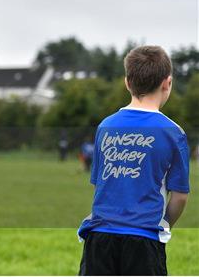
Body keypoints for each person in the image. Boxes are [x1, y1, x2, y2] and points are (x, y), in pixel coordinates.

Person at [77, 46, 189, 275]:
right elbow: (180, 196)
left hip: (99, 238)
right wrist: (166, 222)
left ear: (127, 82)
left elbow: (101, 185)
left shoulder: (105, 126)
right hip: (144, 241)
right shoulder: (173, 132)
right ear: (167, 83)